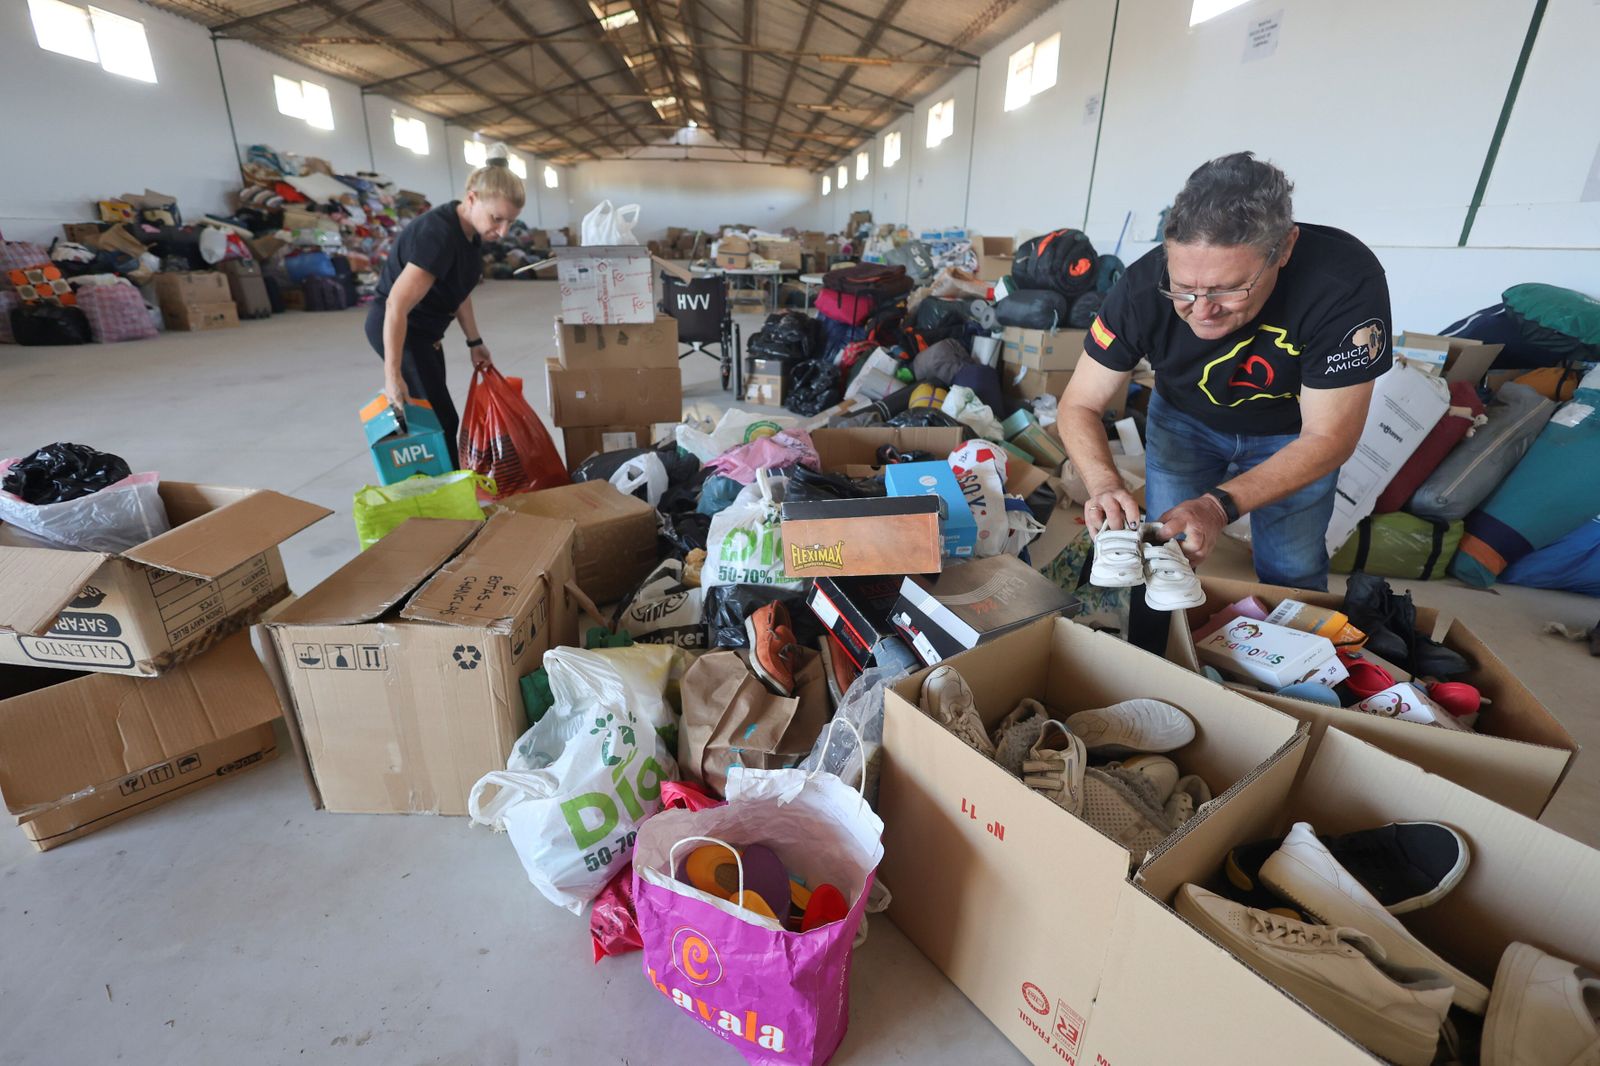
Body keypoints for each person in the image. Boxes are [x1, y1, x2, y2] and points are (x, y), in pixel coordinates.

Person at [1060, 152, 1392, 590]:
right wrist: (1103, 483)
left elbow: (1329, 437)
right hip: (1183, 421)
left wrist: (1218, 507)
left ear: (1285, 248)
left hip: (1292, 436)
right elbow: (1079, 403)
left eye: (1227, 289)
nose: (1201, 310)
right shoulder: (1141, 288)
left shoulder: (1343, 283)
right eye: (1183, 288)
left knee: (1291, 570)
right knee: (1165, 558)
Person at [365, 145, 524, 467]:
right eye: (497, 218)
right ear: (471, 198)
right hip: (404, 330)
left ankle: (446, 492)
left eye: (510, 222)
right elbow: (396, 304)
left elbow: (459, 290)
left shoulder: (472, 233)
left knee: (437, 417)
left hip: (426, 334)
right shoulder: (438, 235)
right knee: (440, 422)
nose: (503, 231)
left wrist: (474, 342)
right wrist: (392, 375)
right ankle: (451, 502)